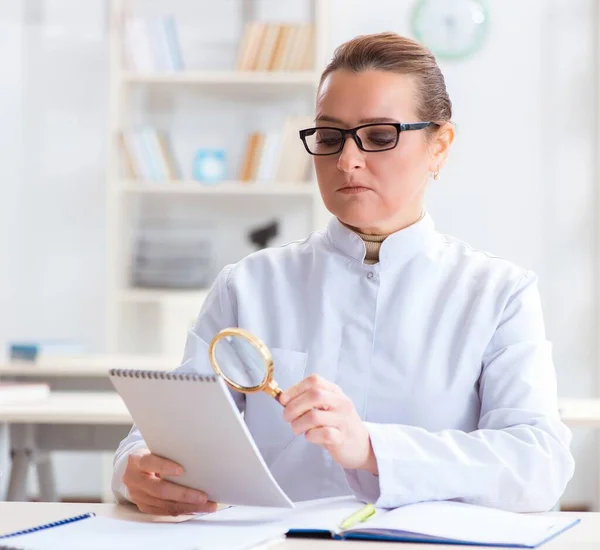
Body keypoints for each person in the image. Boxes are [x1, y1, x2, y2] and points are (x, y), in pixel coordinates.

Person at [112, 32, 574, 516]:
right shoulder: (248, 286)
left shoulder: (499, 294)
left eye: (379, 136)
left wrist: (372, 449)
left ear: (439, 147)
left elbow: (538, 466)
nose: (346, 160)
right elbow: (170, 430)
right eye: (330, 137)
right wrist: (134, 469)